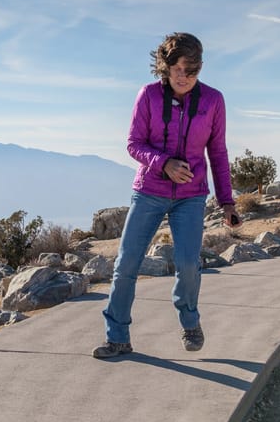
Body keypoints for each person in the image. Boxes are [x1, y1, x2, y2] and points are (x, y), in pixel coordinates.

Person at [93, 32, 240, 359]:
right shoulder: (148, 95)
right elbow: (134, 144)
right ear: (166, 67)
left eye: (191, 71)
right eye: (178, 70)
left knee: (187, 264)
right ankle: (117, 337)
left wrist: (227, 202)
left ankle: (190, 322)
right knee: (126, 264)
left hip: (191, 196)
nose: (184, 77)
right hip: (149, 191)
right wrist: (164, 164)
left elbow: (217, 152)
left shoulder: (213, 100)